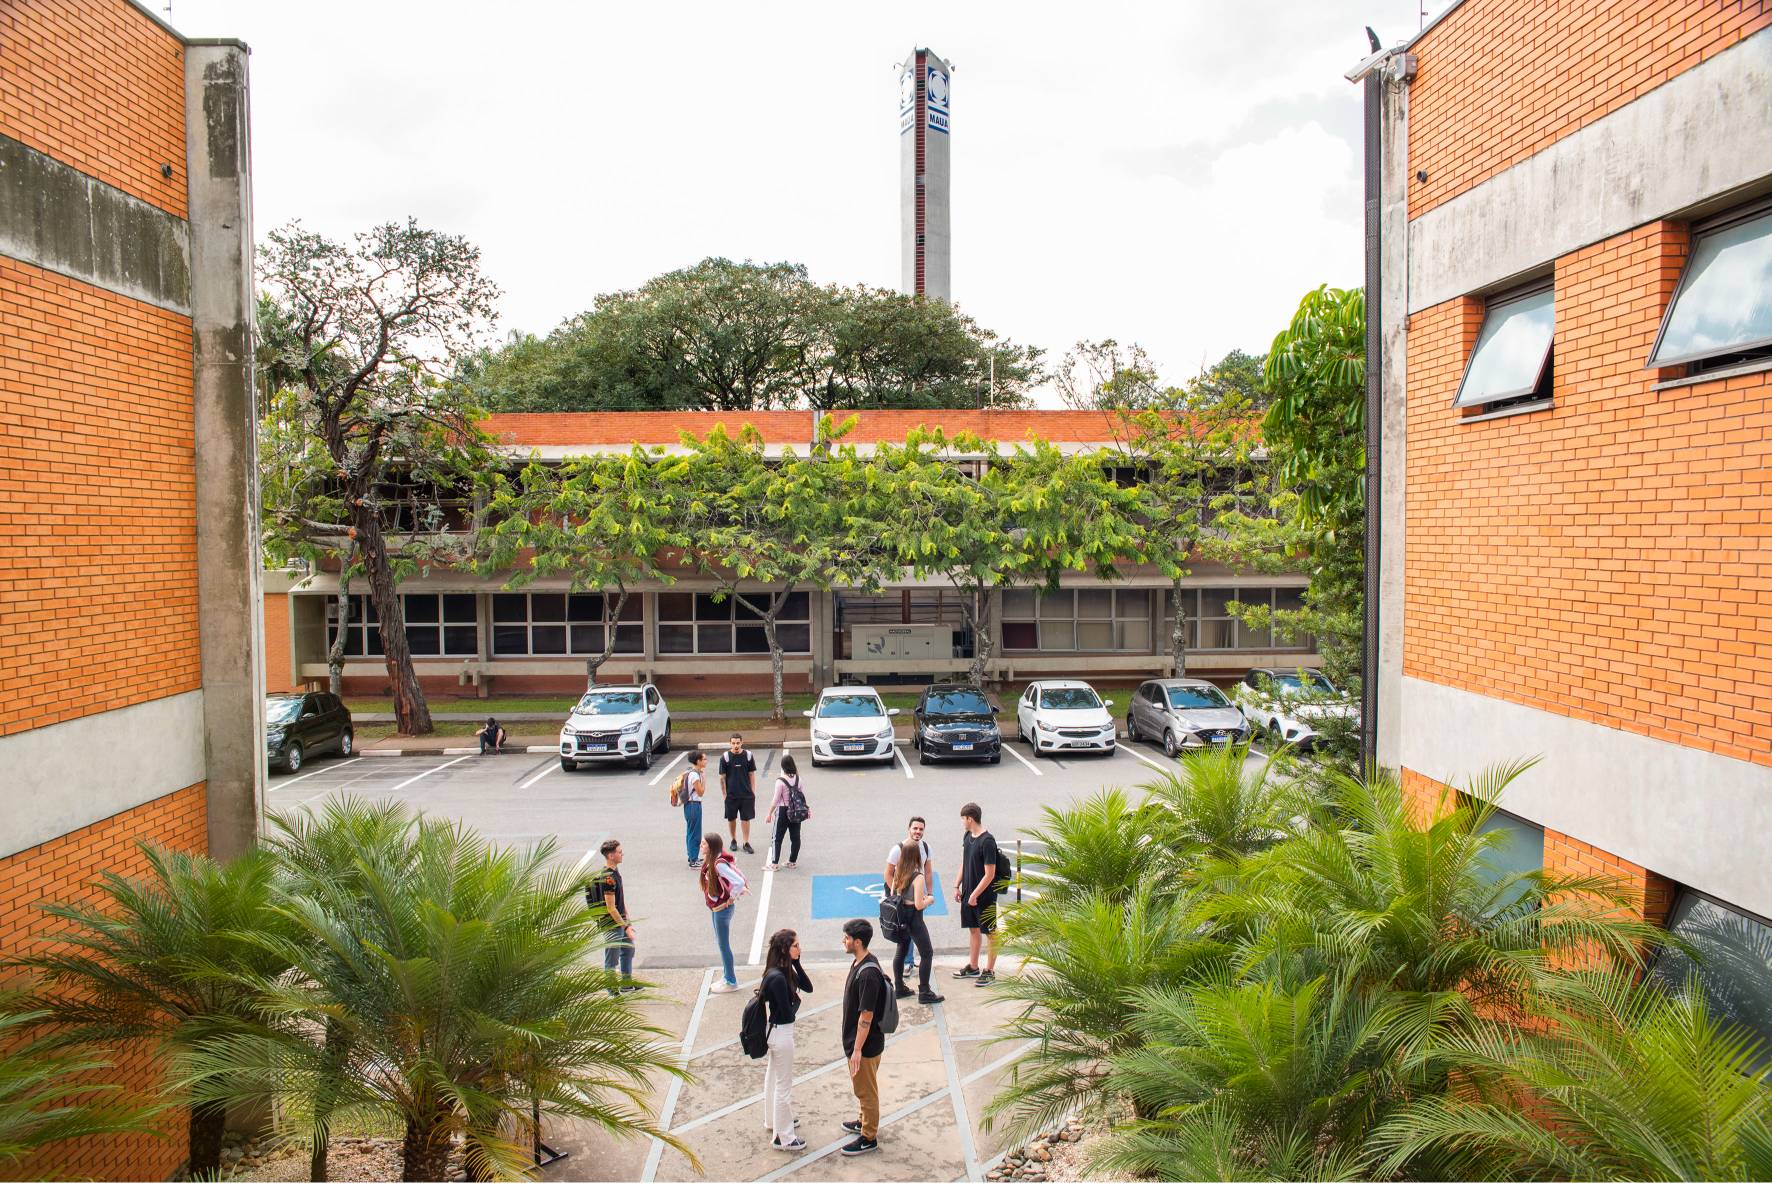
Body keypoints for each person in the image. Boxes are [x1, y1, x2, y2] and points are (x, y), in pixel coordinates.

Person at [758, 928, 813, 1152]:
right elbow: (787, 1013)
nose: (800, 949)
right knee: (783, 1085)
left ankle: (774, 1121)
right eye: (795, 946)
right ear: (784, 949)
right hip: (782, 1033)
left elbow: (808, 987)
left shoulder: (780, 971)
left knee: (773, 1078)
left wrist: (797, 963)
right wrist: (794, 1000)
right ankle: (784, 1137)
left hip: (776, 1031)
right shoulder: (778, 978)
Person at [838, 918, 886, 1156]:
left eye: (846, 938)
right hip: (862, 1043)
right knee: (864, 1088)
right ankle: (863, 1120)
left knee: (866, 1092)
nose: (843, 941)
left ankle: (869, 1136)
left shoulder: (867, 974)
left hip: (865, 1046)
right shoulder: (863, 962)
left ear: (857, 942)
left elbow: (866, 1016)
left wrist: (857, 1049)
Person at [953, 802, 1002, 986]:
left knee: (990, 932)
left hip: (984, 897)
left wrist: (975, 895)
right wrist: (956, 885)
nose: (962, 823)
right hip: (968, 893)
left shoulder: (987, 841)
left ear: (969, 818)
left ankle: (989, 970)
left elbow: (990, 874)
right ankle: (973, 966)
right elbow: (964, 862)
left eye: (963, 820)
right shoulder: (968, 836)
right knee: (973, 929)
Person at [889, 840, 943, 1005]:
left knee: (901, 951)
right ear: (916, 857)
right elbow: (919, 904)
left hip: (901, 917)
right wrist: (930, 899)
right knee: (927, 953)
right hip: (914, 918)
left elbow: (893, 893)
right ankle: (925, 991)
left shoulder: (899, 872)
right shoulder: (917, 877)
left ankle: (899, 987)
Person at [883, 816, 932, 975]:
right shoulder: (898, 849)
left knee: (907, 936)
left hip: (914, 893)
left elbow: (929, 871)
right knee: (909, 934)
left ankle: (904, 971)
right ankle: (909, 963)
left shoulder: (925, 847)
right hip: (903, 897)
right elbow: (888, 874)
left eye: (921, 829)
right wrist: (900, 895)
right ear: (909, 829)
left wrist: (927, 892)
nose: (918, 831)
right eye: (915, 828)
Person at [700, 832, 747, 992]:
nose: (701, 846)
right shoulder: (712, 860)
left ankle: (731, 981)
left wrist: (731, 898)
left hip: (722, 909)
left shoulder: (718, 864)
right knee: (722, 944)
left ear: (711, 846)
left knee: (723, 945)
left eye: (704, 844)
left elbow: (739, 882)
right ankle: (727, 976)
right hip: (717, 908)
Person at [591, 837, 636, 989]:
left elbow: (621, 901)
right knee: (612, 959)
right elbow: (611, 908)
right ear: (611, 856)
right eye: (619, 852)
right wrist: (625, 927)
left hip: (621, 922)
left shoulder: (615, 872)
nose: (622, 854)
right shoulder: (608, 878)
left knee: (628, 950)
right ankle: (611, 990)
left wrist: (628, 922)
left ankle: (626, 984)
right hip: (612, 925)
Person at [764, 755, 809, 870]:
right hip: (796, 811)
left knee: (777, 838)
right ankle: (792, 861)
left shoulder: (780, 781)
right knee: (795, 837)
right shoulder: (799, 779)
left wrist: (769, 813)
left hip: (783, 811)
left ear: (783, 766)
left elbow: (775, 799)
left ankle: (774, 863)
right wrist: (807, 809)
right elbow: (802, 797)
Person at [718, 734, 759, 854]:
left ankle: (746, 842)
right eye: (733, 743)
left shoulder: (748, 756)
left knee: (745, 819)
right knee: (731, 818)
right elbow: (722, 778)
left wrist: (753, 791)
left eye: (738, 743)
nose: (736, 745)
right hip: (731, 795)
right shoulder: (725, 757)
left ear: (742, 743)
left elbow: (751, 774)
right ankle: (733, 840)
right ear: (730, 743)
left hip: (746, 795)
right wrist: (724, 795)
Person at [678, 751, 709, 867]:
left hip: (690, 805)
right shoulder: (695, 775)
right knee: (695, 833)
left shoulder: (690, 772)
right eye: (704, 759)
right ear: (698, 761)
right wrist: (704, 779)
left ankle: (691, 856)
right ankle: (693, 859)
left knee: (691, 831)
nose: (706, 761)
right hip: (693, 805)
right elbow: (700, 792)